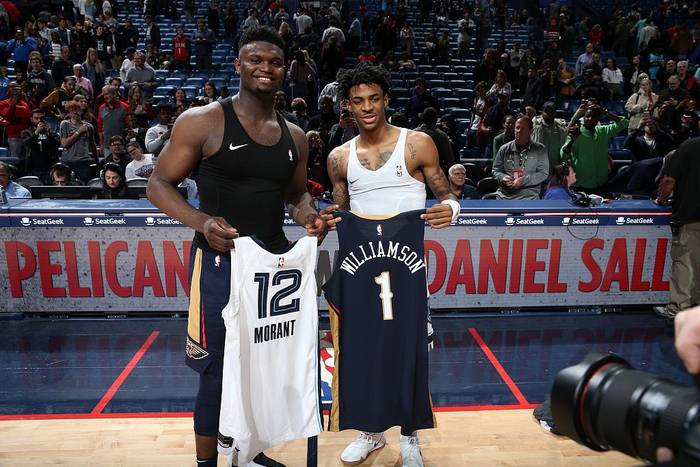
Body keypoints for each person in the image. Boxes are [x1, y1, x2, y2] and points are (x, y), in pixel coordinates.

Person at [146, 25, 326, 467]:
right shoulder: (203, 120)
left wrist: (310, 217)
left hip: (272, 268)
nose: (266, 68)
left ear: (285, 71)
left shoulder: (295, 135)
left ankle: (249, 449)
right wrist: (202, 221)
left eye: (275, 63)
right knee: (215, 371)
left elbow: (295, 194)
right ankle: (207, 462)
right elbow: (158, 184)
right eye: (256, 60)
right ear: (238, 65)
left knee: (265, 365)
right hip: (219, 263)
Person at [319, 63, 458, 467]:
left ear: (386, 100)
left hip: (407, 271)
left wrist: (452, 209)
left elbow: (446, 194)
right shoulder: (338, 158)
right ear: (347, 106)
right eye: (358, 101)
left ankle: (410, 436)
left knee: (409, 353)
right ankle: (372, 431)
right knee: (364, 352)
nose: (367, 107)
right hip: (362, 272)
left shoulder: (417, 144)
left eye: (374, 99)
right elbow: (341, 212)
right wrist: (326, 222)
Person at [654, 137, 700, 320]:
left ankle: (680, 308)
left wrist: (662, 200)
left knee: (686, 262)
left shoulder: (689, 146)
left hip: (691, 216)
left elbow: (669, 179)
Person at [561, 103, 628, 196]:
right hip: (582, 185)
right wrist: (572, 141)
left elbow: (624, 122)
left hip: (602, 183)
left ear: (598, 119)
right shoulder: (576, 133)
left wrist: (605, 112)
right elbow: (563, 155)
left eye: (594, 117)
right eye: (587, 116)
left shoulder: (602, 131)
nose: (590, 119)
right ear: (583, 117)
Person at [492, 116, 549, 200]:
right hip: (504, 197)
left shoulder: (540, 149)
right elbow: (495, 171)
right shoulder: (504, 149)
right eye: (517, 128)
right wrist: (502, 177)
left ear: (531, 131)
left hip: (530, 198)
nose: (519, 131)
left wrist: (523, 181)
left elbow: (543, 173)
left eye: (523, 128)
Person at [60, 100, 98, 183]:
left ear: (81, 110)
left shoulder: (89, 126)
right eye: (72, 111)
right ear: (68, 114)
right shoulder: (65, 124)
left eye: (77, 109)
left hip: (83, 162)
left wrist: (96, 159)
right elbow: (64, 143)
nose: (75, 112)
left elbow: (92, 143)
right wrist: (79, 132)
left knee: (83, 185)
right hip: (67, 161)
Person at [22, 109, 60, 184]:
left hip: (50, 169)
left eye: (41, 118)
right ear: (31, 119)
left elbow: (57, 145)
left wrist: (49, 133)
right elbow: (28, 144)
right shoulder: (26, 132)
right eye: (36, 118)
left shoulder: (51, 133)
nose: (39, 120)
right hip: (34, 169)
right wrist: (37, 132)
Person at [0, 81, 33, 161]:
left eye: (17, 87)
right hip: (14, 137)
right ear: (8, 90)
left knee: (28, 160)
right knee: (16, 160)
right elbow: (7, 118)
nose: (15, 88)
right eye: (12, 87)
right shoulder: (3, 103)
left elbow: (33, 117)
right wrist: (13, 104)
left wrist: (28, 102)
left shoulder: (25, 104)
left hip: (27, 136)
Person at [532, 101, 568, 171]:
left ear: (555, 113)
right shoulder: (535, 128)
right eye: (547, 112)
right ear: (542, 113)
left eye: (552, 112)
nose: (549, 114)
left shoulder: (561, 129)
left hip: (556, 169)